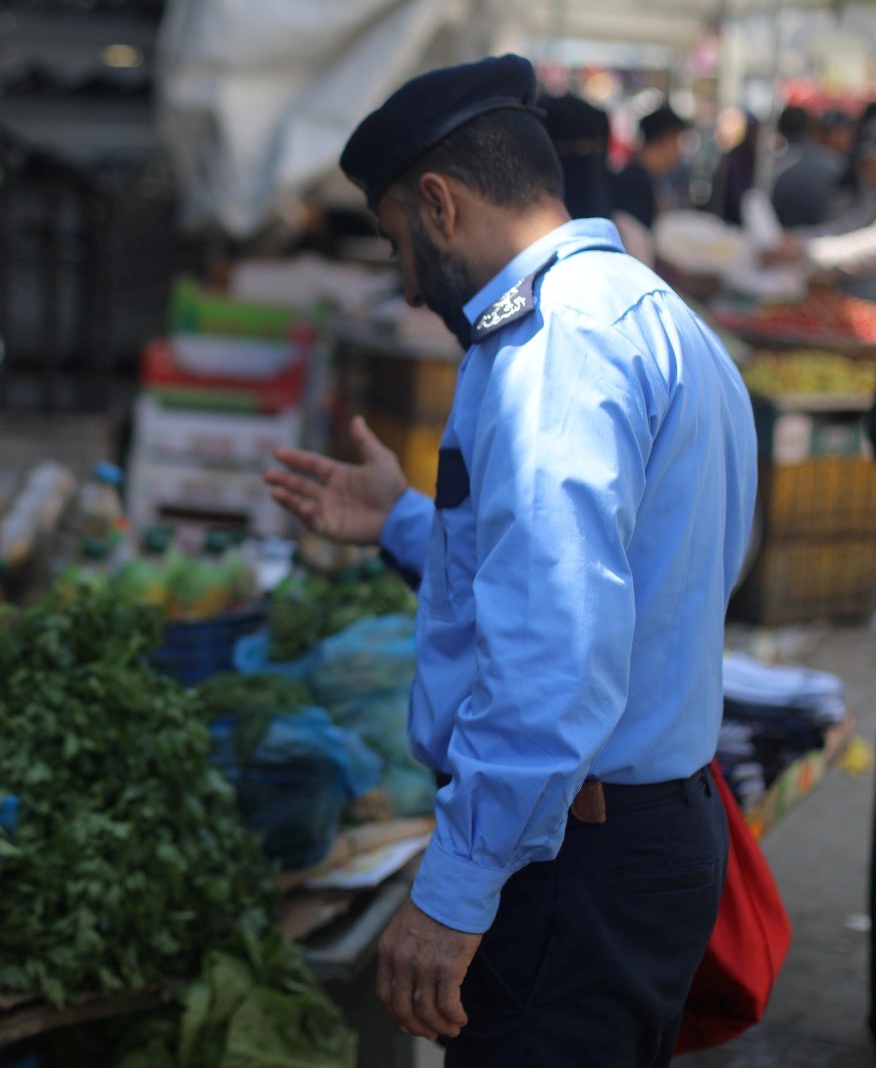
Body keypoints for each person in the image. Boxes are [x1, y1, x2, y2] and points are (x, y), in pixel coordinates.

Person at [266, 55, 757, 1064]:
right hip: (637, 836)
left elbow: (554, 651)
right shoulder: (648, 314)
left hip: (580, 856)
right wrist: (403, 522)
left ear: (440, 205)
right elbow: (627, 576)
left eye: (399, 242)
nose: (409, 288)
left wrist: (453, 893)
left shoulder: (553, 351)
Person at [539, 92, 654, 265]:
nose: (583, 157)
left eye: (595, 147)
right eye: (572, 148)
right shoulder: (628, 236)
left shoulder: (630, 236)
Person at [772, 109, 854, 228]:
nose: (831, 138)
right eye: (825, 132)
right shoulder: (834, 165)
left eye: (841, 133)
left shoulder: (841, 166)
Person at [615, 103, 691, 230]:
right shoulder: (634, 183)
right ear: (667, 139)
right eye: (677, 142)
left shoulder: (645, 178)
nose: (679, 152)